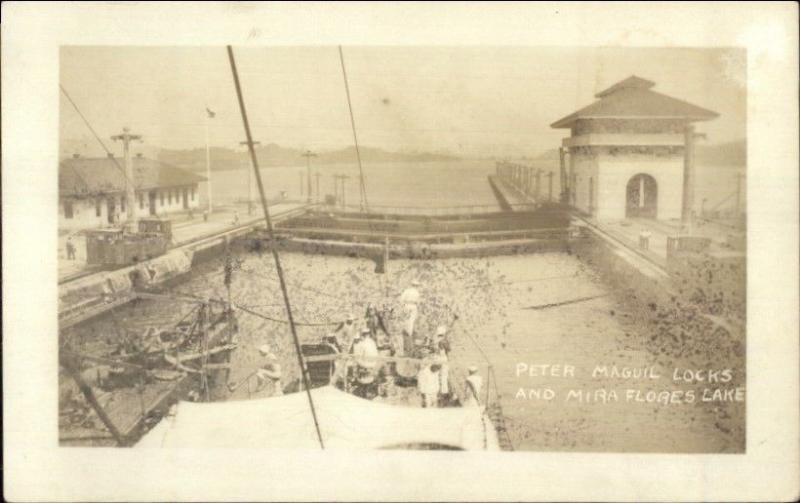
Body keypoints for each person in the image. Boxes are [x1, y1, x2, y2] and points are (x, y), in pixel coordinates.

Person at [399, 279, 422, 351]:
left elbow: (401, 299)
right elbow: (418, 302)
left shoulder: (407, 291)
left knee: (408, 322)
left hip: (408, 305)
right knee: (410, 322)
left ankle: (408, 335)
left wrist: (403, 306)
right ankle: (409, 335)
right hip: (412, 306)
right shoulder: (416, 292)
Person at [433, 325, 451, 405]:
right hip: (444, 359)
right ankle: (444, 393)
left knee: (437, 375)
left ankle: (438, 392)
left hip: (438, 358)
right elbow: (449, 349)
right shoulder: (444, 341)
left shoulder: (437, 341)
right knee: (444, 376)